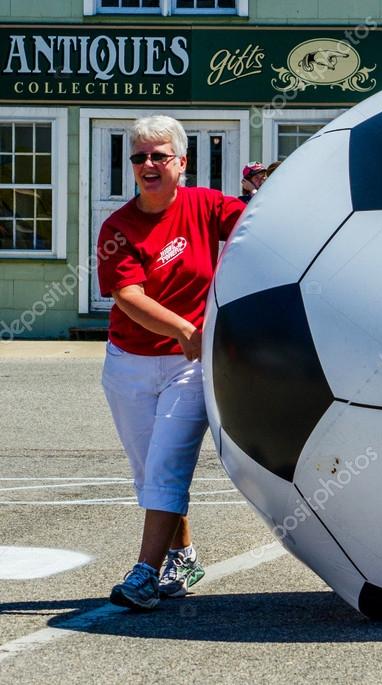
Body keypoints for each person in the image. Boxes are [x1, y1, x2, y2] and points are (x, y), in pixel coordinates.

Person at [97, 115, 245, 610]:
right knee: (150, 476)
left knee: (166, 466)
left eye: (159, 155)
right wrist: (184, 328)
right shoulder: (118, 228)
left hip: (189, 365)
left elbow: (260, 227)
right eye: (139, 156)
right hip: (129, 365)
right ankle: (183, 555)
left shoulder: (209, 205)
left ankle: (143, 576)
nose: (148, 164)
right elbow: (126, 294)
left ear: (182, 162)